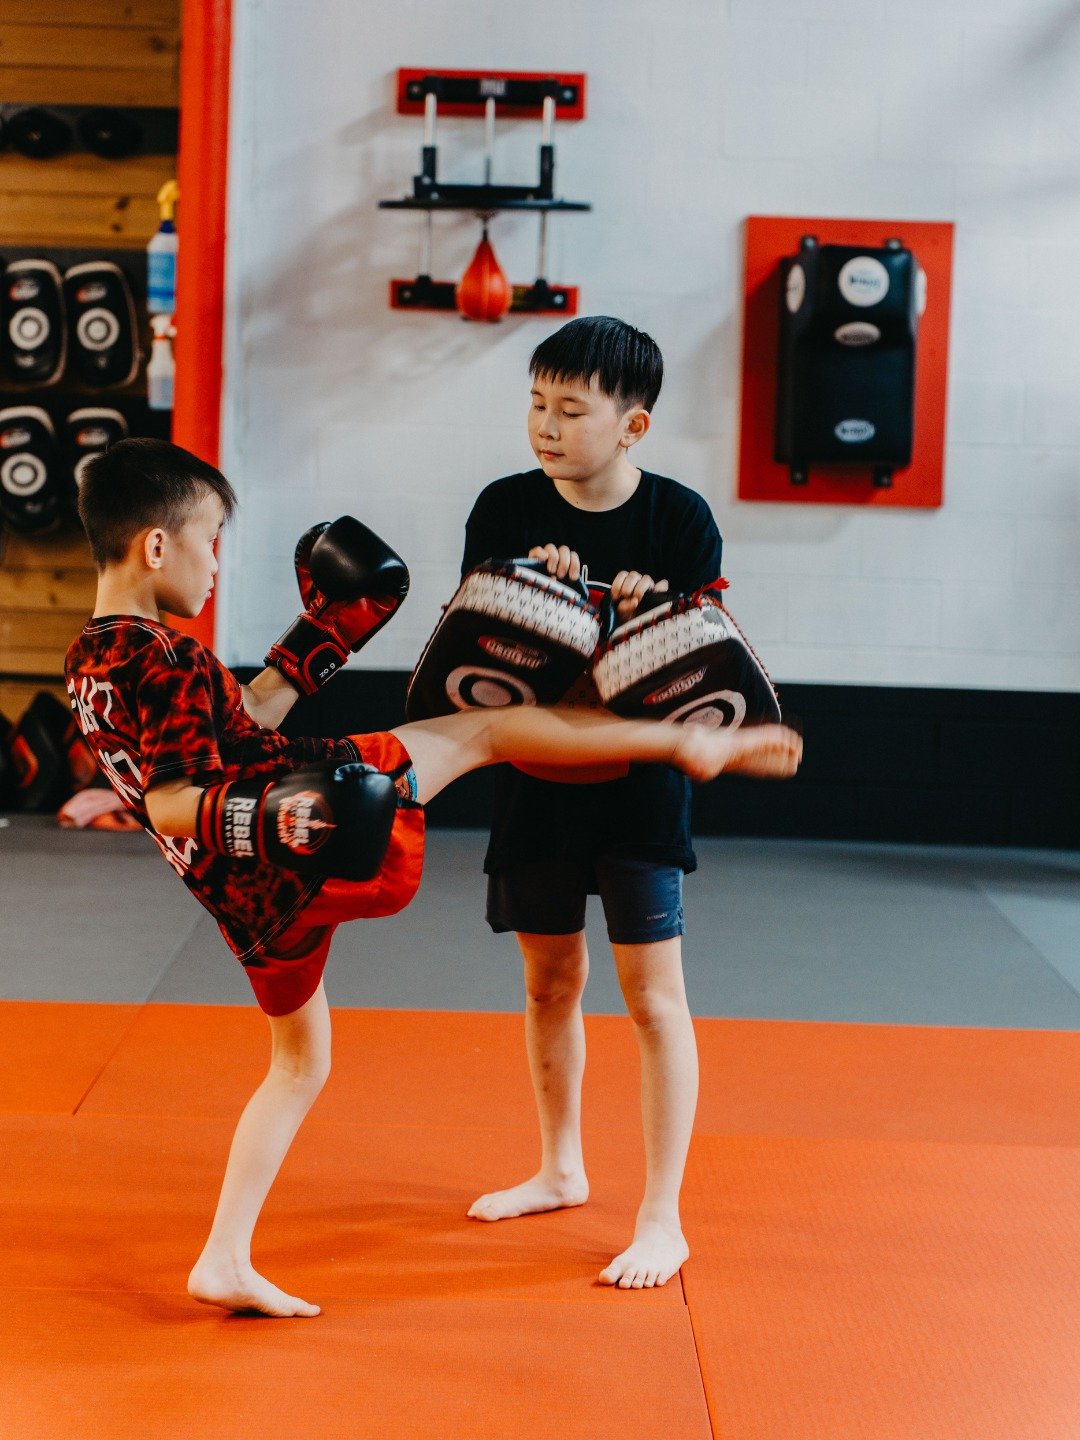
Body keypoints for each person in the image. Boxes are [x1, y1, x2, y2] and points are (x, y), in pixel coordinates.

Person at [65, 437, 801, 1320]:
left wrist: (320, 637)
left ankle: (225, 1257)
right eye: (210, 539)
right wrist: (282, 817)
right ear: (156, 545)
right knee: (485, 731)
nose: (216, 562)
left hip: (250, 904)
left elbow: (237, 722)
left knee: (300, 1065)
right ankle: (686, 741)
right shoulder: (165, 656)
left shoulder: (93, 659)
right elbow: (171, 799)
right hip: (302, 826)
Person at [461, 315, 746, 1289]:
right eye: (536, 404)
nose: (546, 425)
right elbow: (475, 656)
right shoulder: (502, 508)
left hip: (640, 789)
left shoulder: (679, 520)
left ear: (632, 426)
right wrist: (529, 601)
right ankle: (559, 1168)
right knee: (548, 985)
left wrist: (647, 608)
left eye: (570, 409)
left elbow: (708, 667)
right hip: (536, 780)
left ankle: (663, 1217)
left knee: (652, 999)